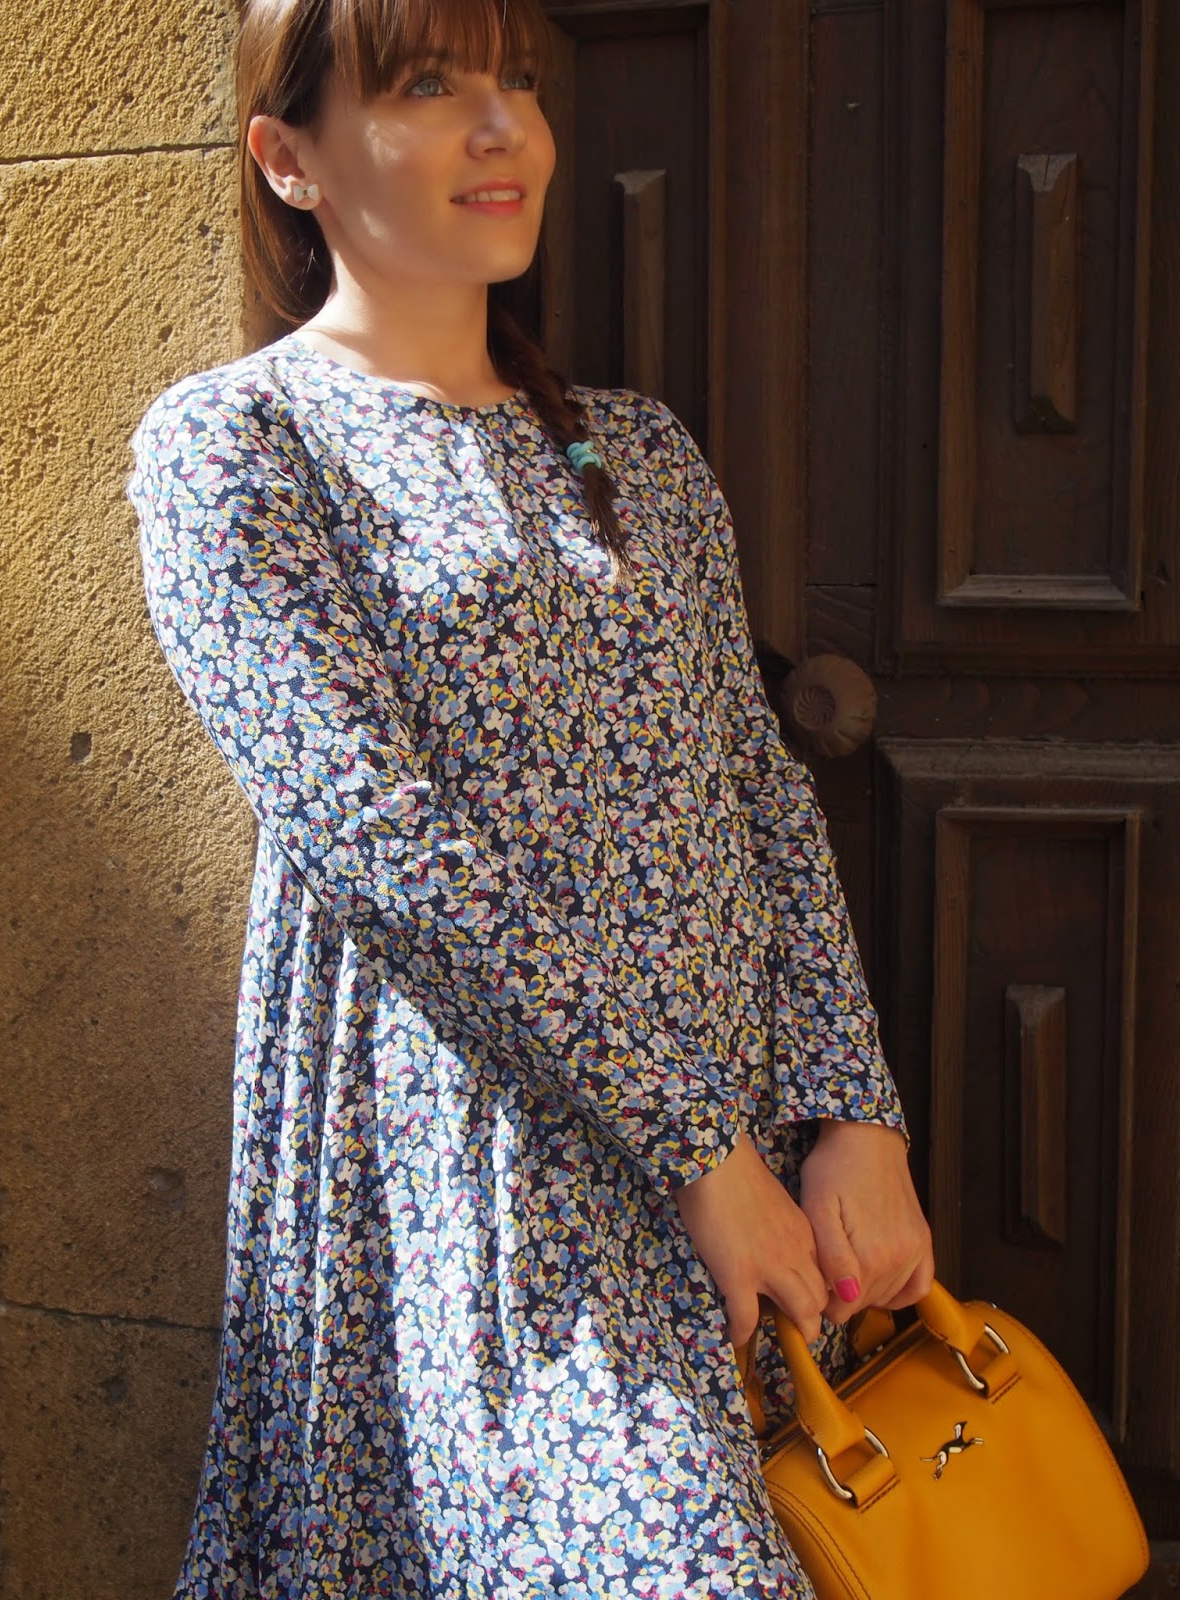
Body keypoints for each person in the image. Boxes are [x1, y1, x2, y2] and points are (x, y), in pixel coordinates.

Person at [127, 0, 934, 1594]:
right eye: (432, 86)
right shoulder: (238, 447)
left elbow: (756, 788)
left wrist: (857, 1118)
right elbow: (393, 849)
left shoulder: (632, 452)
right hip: (483, 1175)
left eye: (517, 82)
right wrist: (695, 1151)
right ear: (288, 159)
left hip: (748, 1146)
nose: (505, 129)